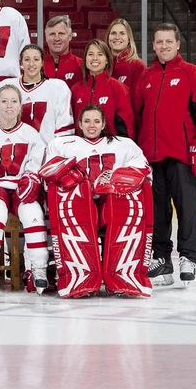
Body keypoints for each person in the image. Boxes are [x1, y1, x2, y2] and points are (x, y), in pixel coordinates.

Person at [132, 23, 196, 287]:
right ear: (153, 45)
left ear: (178, 44)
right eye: (159, 42)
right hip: (152, 157)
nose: (164, 46)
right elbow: (137, 116)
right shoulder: (146, 77)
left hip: (182, 155)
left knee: (187, 210)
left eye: (169, 41)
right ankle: (161, 259)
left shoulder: (193, 74)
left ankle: (188, 257)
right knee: (157, 212)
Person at [39, 105, 153, 298]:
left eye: (96, 121)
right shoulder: (63, 144)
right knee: (75, 210)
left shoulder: (124, 145)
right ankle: (79, 278)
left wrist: (117, 179)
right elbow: (48, 172)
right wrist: (70, 177)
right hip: (79, 203)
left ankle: (123, 277)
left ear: (103, 124)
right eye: (87, 121)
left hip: (113, 202)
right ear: (79, 124)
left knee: (127, 209)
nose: (91, 125)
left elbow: (144, 172)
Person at [0, 84, 50, 294]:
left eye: (14, 101)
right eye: (4, 101)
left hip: (20, 187)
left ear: (20, 105)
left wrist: (30, 179)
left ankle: (39, 268)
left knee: (33, 213)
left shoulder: (31, 133)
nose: (9, 106)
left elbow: (35, 164)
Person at [0, 44, 73, 145]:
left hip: (47, 150)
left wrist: (55, 150)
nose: (31, 64)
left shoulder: (58, 87)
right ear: (21, 62)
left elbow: (64, 126)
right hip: (16, 149)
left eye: (36, 59)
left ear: (42, 62)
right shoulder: (8, 86)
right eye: (27, 59)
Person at [71, 39, 134, 139]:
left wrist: (120, 145)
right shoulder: (75, 89)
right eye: (90, 54)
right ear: (85, 59)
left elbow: (126, 124)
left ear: (107, 60)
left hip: (109, 145)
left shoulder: (118, 88)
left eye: (100, 54)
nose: (95, 58)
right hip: (81, 146)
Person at [42, 15, 84, 87]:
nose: (57, 38)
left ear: (70, 36)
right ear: (46, 37)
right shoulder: (38, 66)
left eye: (61, 33)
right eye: (52, 34)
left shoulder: (81, 66)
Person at [107, 17, 146, 92]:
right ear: (108, 37)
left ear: (129, 38)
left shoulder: (137, 65)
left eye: (122, 33)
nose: (117, 37)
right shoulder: (103, 64)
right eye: (113, 33)